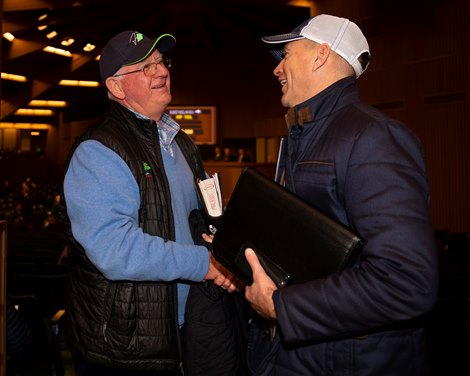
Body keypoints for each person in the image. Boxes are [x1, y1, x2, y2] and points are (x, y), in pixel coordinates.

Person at [243, 14, 439, 375]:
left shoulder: (374, 138)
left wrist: (281, 306)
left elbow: (407, 280)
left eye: (286, 54)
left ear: (320, 55)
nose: (277, 69)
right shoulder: (308, 133)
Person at [60, 30, 245, 376]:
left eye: (160, 62)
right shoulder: (99, 150)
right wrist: (205, 264)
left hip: (184, 331)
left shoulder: (181, 143)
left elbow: (197, 219)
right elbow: (115, 250)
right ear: (116, 87)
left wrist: (222, 247)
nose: (160, 72)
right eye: (144, 68)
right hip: (125, 348)